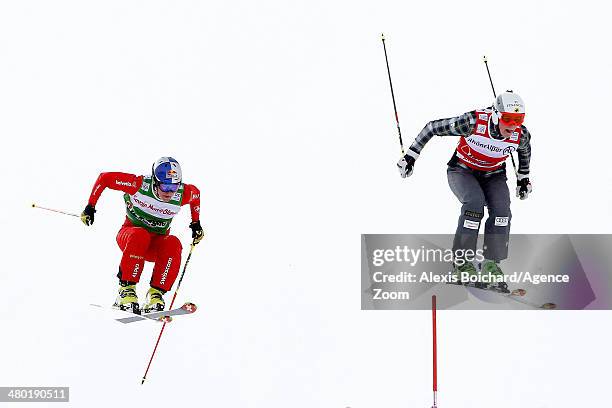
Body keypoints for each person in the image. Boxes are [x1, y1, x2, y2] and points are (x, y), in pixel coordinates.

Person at [397, 91, 532, 290]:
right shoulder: (473, 123)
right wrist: (410, 155)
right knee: (474, 205)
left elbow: (525, 151)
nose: (512, 126)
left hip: (493, 175)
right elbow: (432, 127)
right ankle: (462, 264)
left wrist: (523, 178)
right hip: (462, 170)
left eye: (518, 120)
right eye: (508, 119)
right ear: (496, 115)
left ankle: (491, 265)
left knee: (502, 212)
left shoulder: (520, 134)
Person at [80, 157, 204, 314]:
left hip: (155, 246)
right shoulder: (138, 185)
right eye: (165, 186)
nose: (169, 192)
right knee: (140, 235)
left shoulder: (183, 193)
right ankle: (126, 291)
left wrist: (196, 223)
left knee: (174, 242)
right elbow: (105, 178)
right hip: (131, 238)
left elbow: (196, 195)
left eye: (174, 186)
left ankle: (155, 294)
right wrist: (90, 206)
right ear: (155, 181)